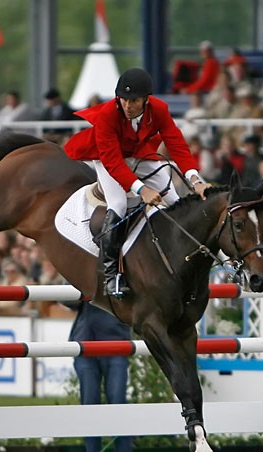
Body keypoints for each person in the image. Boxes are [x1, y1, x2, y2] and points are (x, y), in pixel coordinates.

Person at [64, 68, 211, 298]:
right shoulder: (108, 115)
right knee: (119, 204)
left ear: (146, 99)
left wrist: (196, 180)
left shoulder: (159, 109)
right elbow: (114, 162)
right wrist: (141, 190)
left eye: (133, 101)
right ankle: (111, 274)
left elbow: (177, 145)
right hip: (107, 158)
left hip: (137, 154)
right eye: (123, 99)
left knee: (174, 200)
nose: (127, 106)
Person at [69, 300, 132, 452]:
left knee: (118, 405)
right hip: (86, 345)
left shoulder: (122, 270)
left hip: (115, 343)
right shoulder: (82, 270)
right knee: (90, 406)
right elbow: (67, 299)